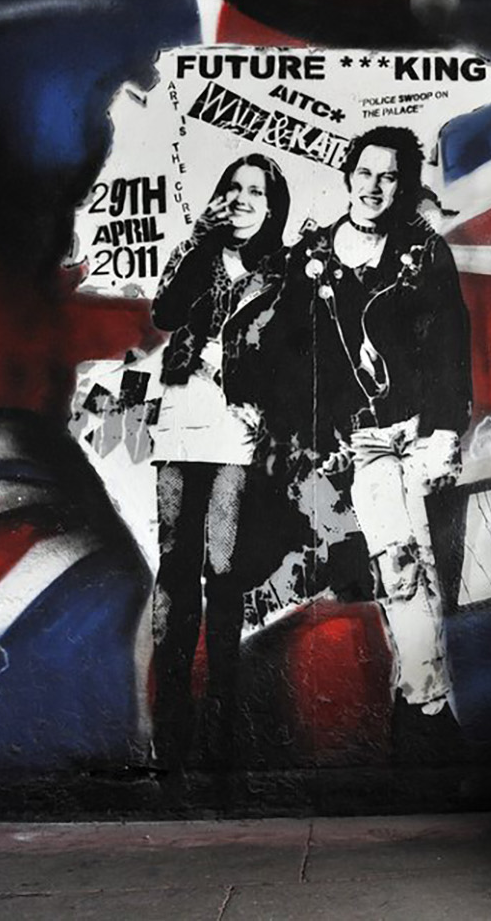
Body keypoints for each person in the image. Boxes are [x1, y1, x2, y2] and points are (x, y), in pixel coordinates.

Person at [274, 125, 472, 717]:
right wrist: (318, 438)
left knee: (438, 560)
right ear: (348, 176)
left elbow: (450, 342)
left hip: (420, 429)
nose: (374, 186)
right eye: (365, 172)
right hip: (362, 440)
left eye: (389, 176)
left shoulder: (423, 251)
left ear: (403, 185)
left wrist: (444, 429)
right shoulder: (312, 258)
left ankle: (450, 691)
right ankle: (427, 695)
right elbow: (297, 357)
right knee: (397, 562)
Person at [149, 152, 291, 772]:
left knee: (223, 568)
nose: (241, 199)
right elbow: (164, 312)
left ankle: (222, 717)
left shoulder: (284, 270)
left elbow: (293, 351)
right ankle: (171, 715)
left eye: (255, 191)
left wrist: (269, 409)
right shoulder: (199, 254)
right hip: (183, 408)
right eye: (233, 187)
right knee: (175, 562)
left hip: (238, 423)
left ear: (272, 205)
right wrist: (195, 237)